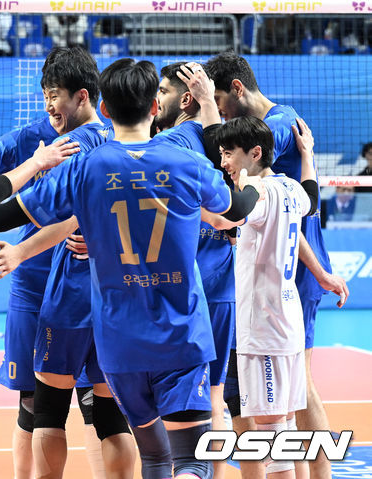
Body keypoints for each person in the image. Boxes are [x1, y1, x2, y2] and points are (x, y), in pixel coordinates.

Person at [0, 57, 269, 479]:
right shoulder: (185, 161)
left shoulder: (83, 167)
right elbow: (233, 212)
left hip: (119, 338)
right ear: (155, 108)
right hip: (180, 331)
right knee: (186, 459)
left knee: (144, 452)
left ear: (105, 108)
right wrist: (252, 186)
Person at [0, 46, 135, 479]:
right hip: (36, 285)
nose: (49, 105)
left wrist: (93, 234)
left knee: (93, 404)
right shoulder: (32, 137)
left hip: (76, 285)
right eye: (45, 95)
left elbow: (74, 213)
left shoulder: (100, 143)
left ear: (83, 96)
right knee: (34, 404)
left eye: (56, 95)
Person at [204, 52, 348, 479]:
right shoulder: (287, 187)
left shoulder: (276, 133)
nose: (224, 160)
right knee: (285, 410)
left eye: (219, 101)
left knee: (282, 411)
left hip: (270, 308)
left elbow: (230, 211)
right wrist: (309, 158)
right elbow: (309, 198)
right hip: (290, 292)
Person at [149, 61, 236, 479]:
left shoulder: (173, 143)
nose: (156, 100)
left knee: (186, 402)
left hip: (190, 292)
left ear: (186, 98)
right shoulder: (220, 142)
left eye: (163, 92)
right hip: (210, 290)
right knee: (211, 398)